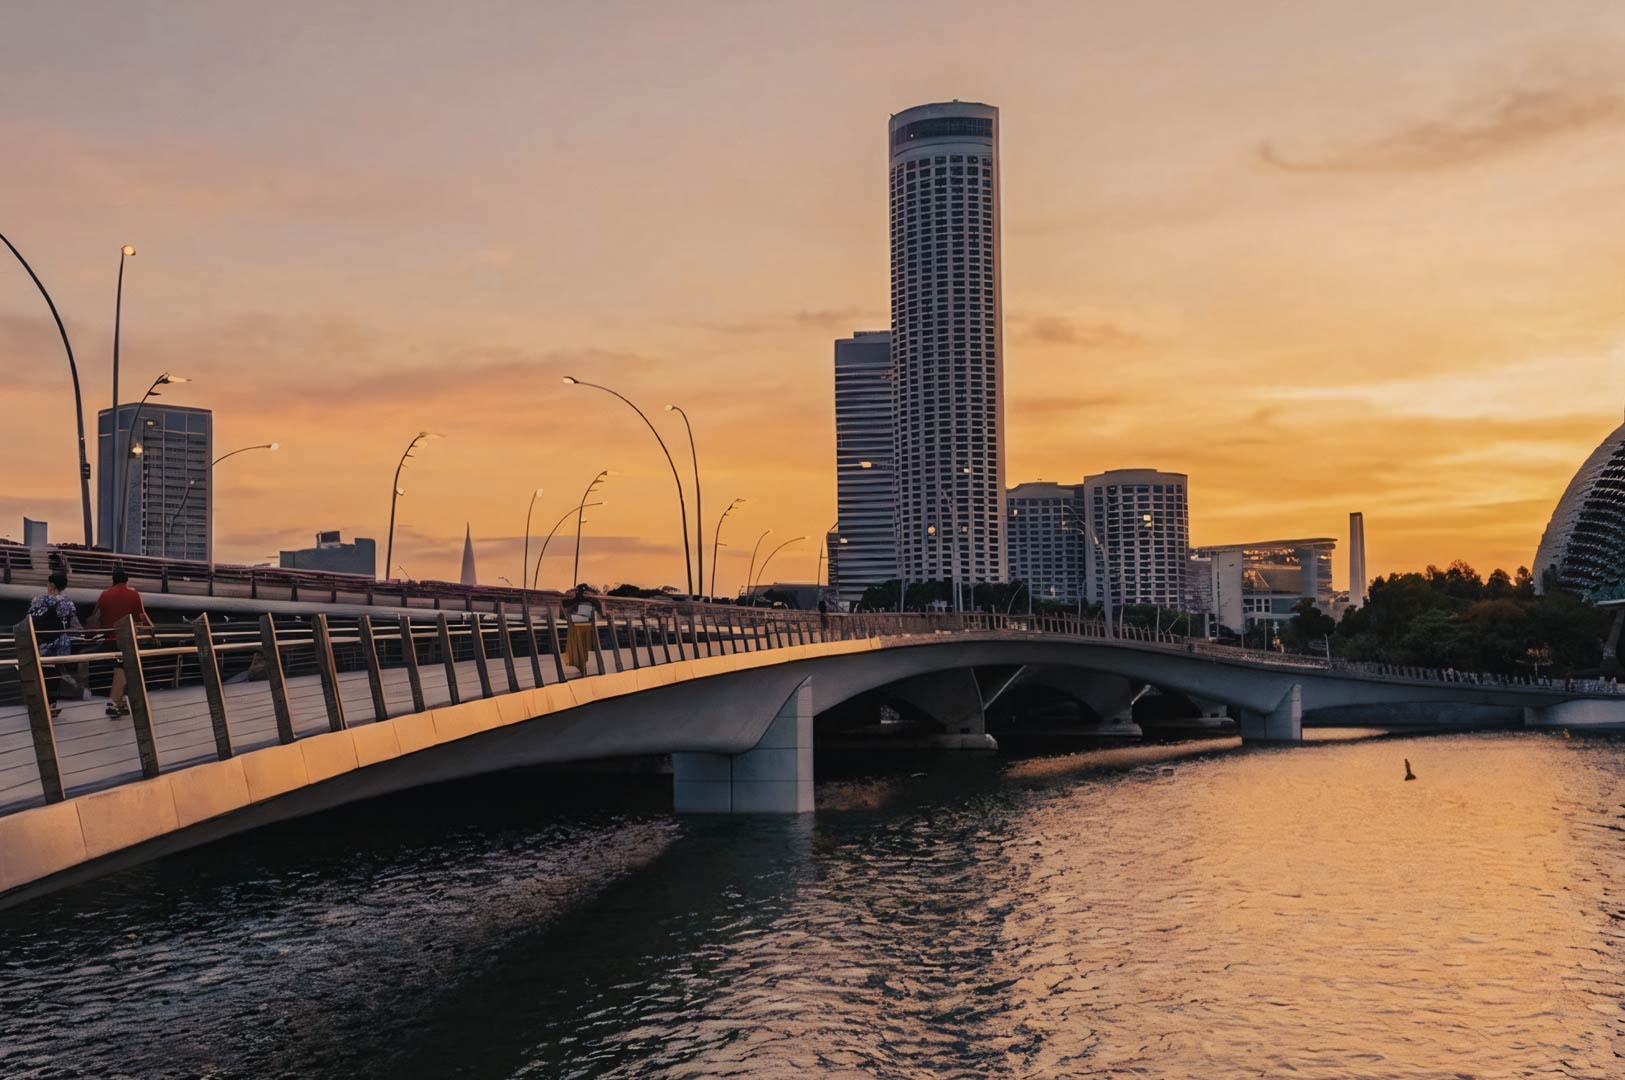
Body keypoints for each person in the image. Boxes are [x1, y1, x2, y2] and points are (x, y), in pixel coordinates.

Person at [92, 565, 153, 717]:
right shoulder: (133, 595)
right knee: (123, 669)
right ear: (126, 581)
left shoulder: (104, 594)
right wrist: (152, 629)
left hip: (109, 638)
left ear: (113, 581)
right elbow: (142, 616)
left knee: (120, 668)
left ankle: (121, 703)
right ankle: (112, 702)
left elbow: (96, 614)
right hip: (125, 638)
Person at [27, 571, 82, 718]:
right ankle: (50, 704)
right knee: (54, 673)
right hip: (58, 642)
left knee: (40, 673)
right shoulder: (66, 603)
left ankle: (39, 704)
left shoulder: (38, 600)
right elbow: (73, 623)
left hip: (38, 641)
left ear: (51, 585)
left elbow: (29, 617)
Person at [562, 584, 602, 672]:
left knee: (581, 644)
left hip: (583, 624)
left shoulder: (589, 600)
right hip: (581, 624)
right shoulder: (581, 600)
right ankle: (579, 663)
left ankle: (580, 663)